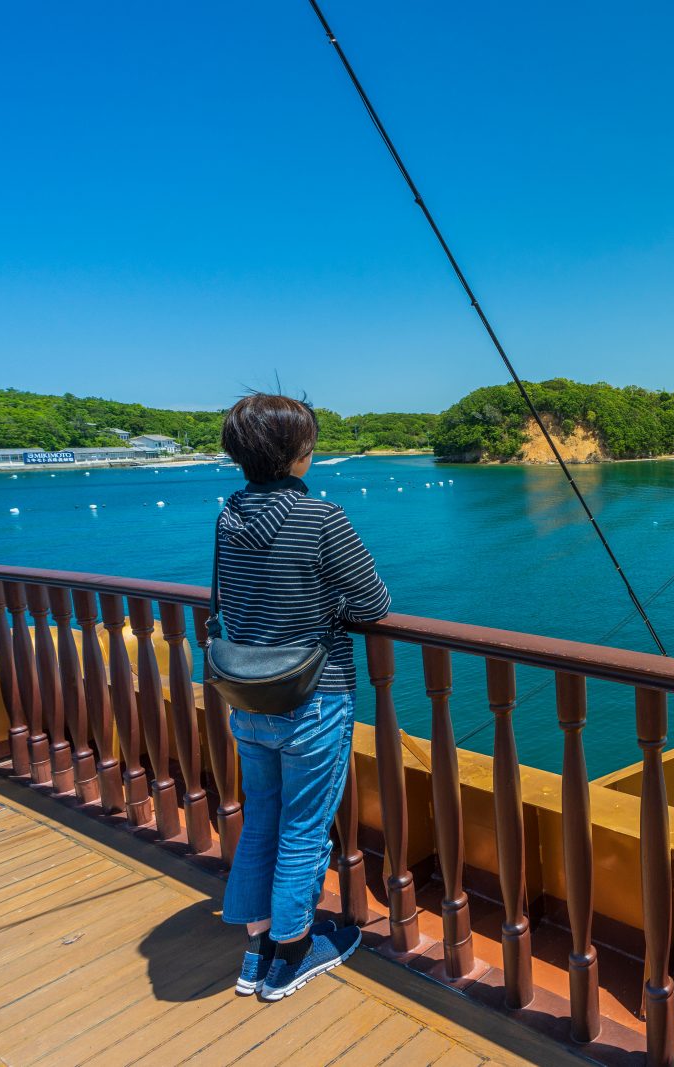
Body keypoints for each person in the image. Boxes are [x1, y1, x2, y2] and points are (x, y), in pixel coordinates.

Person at [213, 393, 390, 1001]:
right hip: (313, 695)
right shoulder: (322, 519)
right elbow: (374, 604)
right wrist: (329, 609)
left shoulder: (228, 516)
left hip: (248, 695)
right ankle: (293, 951)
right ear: (298, 454)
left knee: (262, 814)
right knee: (304, 829)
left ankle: (256, 946)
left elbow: (233, 605)